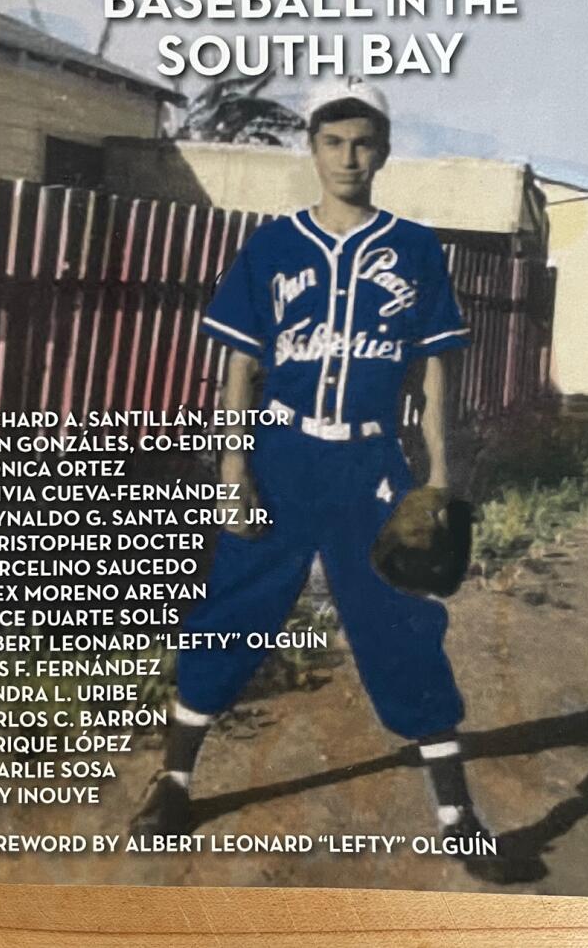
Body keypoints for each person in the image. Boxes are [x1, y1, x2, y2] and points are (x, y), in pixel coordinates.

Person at [130, 77, 499, 862]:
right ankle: (173, 781)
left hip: (370, 459)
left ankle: (458, 814)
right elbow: (238, 366)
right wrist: (233, 462)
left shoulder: (415, 248)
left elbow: (436, 375)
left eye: (363, 141)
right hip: (283, 451)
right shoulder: (274, 245)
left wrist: (440, 475)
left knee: (402, 622)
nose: (348, 156)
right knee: (234, 607)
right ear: (312, 148)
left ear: (385, 150)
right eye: (333, 140)